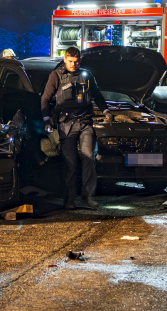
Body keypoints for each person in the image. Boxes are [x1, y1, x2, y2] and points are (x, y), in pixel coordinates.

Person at [40, 46, 107, 210]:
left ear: (80, 60)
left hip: (85, 122)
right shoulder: (56, 76)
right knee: (70, 163)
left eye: (77, 62)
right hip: (65, 124)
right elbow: (45, 99)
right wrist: (47, 121)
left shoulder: (87, 75)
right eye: (70, 61)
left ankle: (88, 197)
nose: (74, 65)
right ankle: (69, 200)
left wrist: (106, 110)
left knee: (89, 158)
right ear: (65, 59)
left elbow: (97, 94)